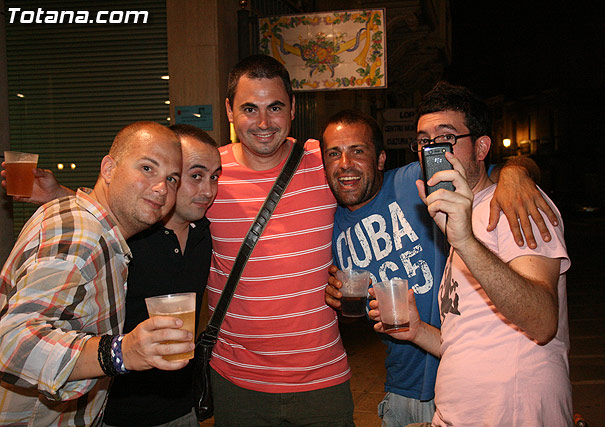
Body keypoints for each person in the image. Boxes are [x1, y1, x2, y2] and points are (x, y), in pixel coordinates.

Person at [321, 110, 557, 427]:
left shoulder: (413, 182)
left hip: (467, 384)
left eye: (357, 151)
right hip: (401, 387)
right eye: (333, 153)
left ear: (380, 159)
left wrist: (517, 173)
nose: (345, 163)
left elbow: (488, 170)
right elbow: (361, 315)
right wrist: (339, 302)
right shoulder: (330, 228)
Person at [369, 82, 572, 426]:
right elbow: (467, 342)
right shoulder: (461, 216)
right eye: (424, 141)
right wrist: (417, 331)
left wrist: (465, 241)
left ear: (481, 147)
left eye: (446, 137)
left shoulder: (513, 205)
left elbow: (542, 322)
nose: (432, 150)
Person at [0, 122, 195, 426]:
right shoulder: (81, 237)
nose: (162, 188)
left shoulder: (87, 222)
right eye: (147, 168)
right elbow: (11, 344)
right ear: (108, 169)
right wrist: (121, 353)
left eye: (172, 178)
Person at [205, 54, 353, 426]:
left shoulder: (327, 162)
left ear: (292, 108)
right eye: (249, 109)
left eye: (274, 107)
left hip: (323, 380)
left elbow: (392, 185)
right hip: (236, 383)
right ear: (229, 110)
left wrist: (500, 176)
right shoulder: (207, 176)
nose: (263, 123)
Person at [102, 124, 221, 426]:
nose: (208, 191)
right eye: (196, 176)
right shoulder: (128, 235)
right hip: (118, 413)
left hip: (185, 408)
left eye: (214, 177)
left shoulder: (206, 232)